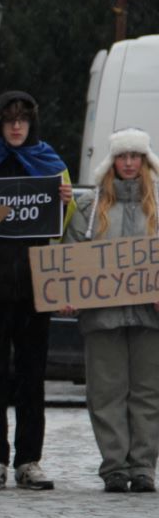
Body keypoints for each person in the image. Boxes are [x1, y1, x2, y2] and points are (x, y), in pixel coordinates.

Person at [0, 91, 72, 491]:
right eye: (10, 120)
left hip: (35, 289)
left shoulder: (50, 162)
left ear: (32, 123)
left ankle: (28, 460)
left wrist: (66, 201)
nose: (17, 126)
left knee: (31, 376)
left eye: (23, 119)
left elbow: (63, 223)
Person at [64, 127, 159, 493]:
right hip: (102, 316)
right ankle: (115, 466)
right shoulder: (89, 209)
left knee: (149, 392)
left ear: (146, 161)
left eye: (136, 156)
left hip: (150, 317)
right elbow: (71, 257)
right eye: (124, 156)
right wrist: (69, 292)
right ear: (113, 161)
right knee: (105, 393)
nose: (130, 163)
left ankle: (144, 466)